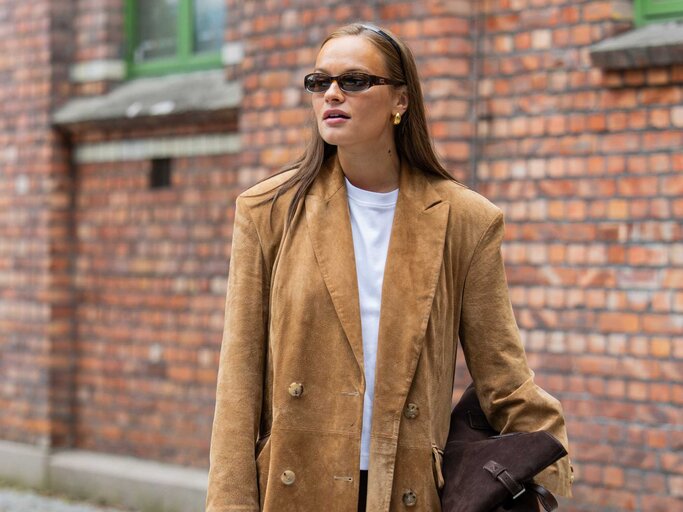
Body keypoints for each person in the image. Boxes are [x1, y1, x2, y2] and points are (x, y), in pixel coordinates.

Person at [206, 22, 573, 512]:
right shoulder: (268, 211)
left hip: (407, 488)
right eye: (320, 83)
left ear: (400, 100)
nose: (332, 94)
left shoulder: (465, 219)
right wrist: (230, 503)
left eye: (354, 81)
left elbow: (502, 376)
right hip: (295, 484)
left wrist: (548, 474)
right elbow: (239, 381)